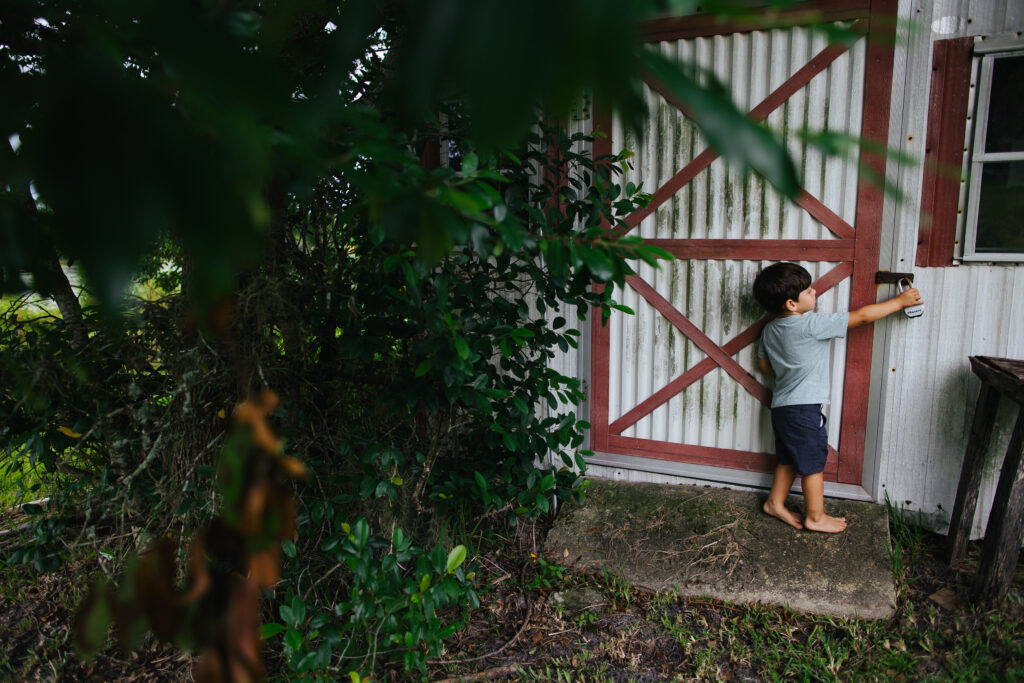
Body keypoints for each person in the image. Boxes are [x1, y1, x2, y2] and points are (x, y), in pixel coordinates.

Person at [752, 262, 922, 533]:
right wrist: (900, 302)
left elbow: (763, 366)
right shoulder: (812, 325)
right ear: (792, 304)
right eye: (808, 291)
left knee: (788, 458)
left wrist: (789, 376)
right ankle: (815, 517)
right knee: (812, 465)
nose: (814, 291)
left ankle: (775, 502)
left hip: (782, 407)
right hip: (804, 410)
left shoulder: (770, 330)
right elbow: (863, 317)